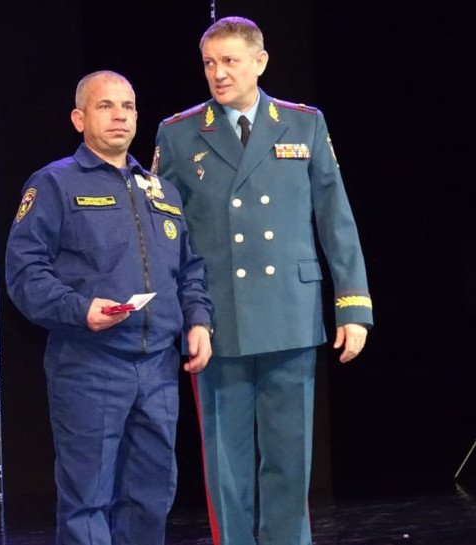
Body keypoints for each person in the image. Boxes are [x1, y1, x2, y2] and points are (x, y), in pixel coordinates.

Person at [152, 17, 373, 545]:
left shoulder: (303, 124)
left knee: (290, 458)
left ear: (260, 62)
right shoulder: (178, 133)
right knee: (225, 464)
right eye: (210, 63)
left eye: (230, 61)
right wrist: (181, 314)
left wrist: (353, 306)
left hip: (289, 311)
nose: (219, 73)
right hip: (218, 317)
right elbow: (166, 234)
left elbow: (335, 218)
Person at [5, 70, 214, 545]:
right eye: (105, 106)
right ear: (79, 119)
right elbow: (24, 273)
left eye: (128, 106)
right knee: (87, 500)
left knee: (151, 497)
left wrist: (198, 321)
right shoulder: (54, 184)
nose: (119, 115)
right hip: (89, 364)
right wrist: (78, 309)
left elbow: (190, 268)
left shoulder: (161, 190)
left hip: (158, 367)